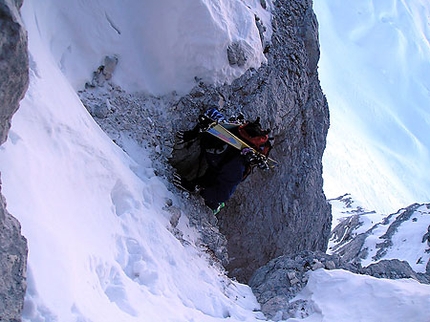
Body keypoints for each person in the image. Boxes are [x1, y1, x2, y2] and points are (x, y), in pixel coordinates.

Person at [174, 108, 272, 215]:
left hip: (219, 172)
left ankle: (216, 206)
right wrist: (192, 133)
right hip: (215, 163)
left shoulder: (235, 167)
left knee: (211, 188)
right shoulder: (225, 130)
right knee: (209, 174)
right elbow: (210, 112)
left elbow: (222, 194)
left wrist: (197, 189)